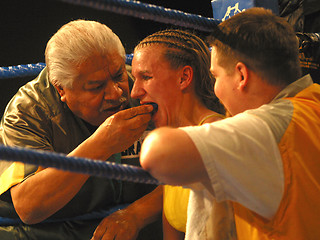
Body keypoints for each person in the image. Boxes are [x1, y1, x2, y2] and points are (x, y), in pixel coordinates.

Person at [139, 7, 320, 240]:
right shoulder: (312, 102)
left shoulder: (268, 129)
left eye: (216, 76)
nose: (215, 88)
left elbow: (158, 153)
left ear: (241, 76)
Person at [0, 19, 162, 240]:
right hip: (45, 232)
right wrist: (100, 145)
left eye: (118, 75)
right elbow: (29, 207)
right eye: (96, 87)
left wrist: (137, 214)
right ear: (61, 89)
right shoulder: (28, 110)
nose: (116, 93)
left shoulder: (143, 86)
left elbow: (196, 166)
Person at [128, 29, 225, 239]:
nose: (134, 92)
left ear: (184, 77)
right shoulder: (173, 144)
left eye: (146, 77)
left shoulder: (218, 136)